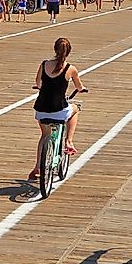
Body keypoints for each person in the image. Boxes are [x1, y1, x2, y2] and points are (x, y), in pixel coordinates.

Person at [30, 37, 87, 178]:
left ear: (54, 49)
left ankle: (38, 167)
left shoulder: (44, 65)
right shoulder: (70, 69)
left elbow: (38, 83)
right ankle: (69, 141)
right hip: (59, 109)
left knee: (44, 135)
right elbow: (79, 87)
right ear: (68, 52)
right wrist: (82, 89)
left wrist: (41, 87)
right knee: (75, 109)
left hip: (41, 109)